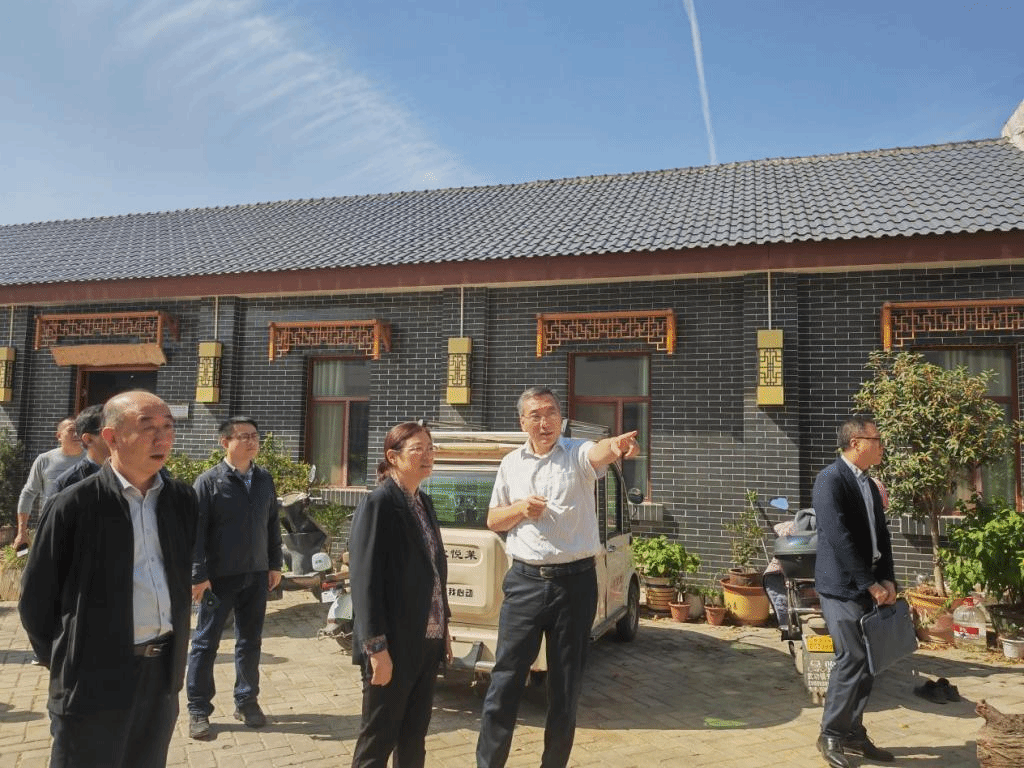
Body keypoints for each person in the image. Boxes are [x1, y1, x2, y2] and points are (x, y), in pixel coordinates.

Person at [18, 390, 198, 768]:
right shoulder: (74, 504)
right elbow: (36, 601)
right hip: (92, 681)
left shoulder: (181, 500)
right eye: (147, 428)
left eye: (168, 427)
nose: (162, 439)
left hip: (161, 676)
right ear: (111, 437)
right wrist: (71, 661)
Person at [476, 386, 640, 768]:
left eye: (550, 413)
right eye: (535, 415)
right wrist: (520, 509)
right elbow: (493, 519)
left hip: (575, 585)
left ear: (560, 418)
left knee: (565, 687)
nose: (544, 421)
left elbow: (599, 452)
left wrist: (615, 446)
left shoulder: (577, 454)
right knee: (504, 681)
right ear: (523, 422)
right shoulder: (510, 464)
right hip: (525, 583)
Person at [348, 421, 452, 768]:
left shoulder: (423, 501)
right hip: (391, 645)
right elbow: (365, 582)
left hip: (427, 640)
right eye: (417, 449)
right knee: (378, 740)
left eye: (430, 448)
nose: (427, 455)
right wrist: (376, 648)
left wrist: (444, 627)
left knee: (413, 737)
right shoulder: (379, 503)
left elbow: (434, 571)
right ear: (392, 457)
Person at [186, 416, 283, 739]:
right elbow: (196, 535)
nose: (252, 441)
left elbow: (272, 524)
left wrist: (274, 564)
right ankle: (199, 708)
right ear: (225, 442)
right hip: (218, 579)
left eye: (254, 436)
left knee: (250, 641)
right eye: (243, 436)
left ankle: (246, 701)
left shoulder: (264, 479)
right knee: (205, 643)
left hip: (255, 575)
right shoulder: (209, 482)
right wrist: (198, 576)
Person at [812, 416, 897, 768]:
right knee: (852, 657)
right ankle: (830, 734)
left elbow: (882, 535)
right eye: (877, 440)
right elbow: (838, 537)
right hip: (841, 587)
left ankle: (853, 733)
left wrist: (888, 579)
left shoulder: (870, 485)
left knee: (869, 661)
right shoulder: (830, 479)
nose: (881, 447)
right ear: (856, 443)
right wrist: (869, 583)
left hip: (870, 584)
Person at [13, 416, 82, 549]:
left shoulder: (93, 460)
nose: (76, 434)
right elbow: (28, 493)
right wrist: (21, 531)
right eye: (71, 430)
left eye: (79, 430)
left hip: (85, 529)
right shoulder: (44, 460)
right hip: (51, 527)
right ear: (59, 436)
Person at [55, 404, 110, 492]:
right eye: (108, 433)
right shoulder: (69, 482)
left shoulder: (130, 474)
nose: (118, 437)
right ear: (88, 439)